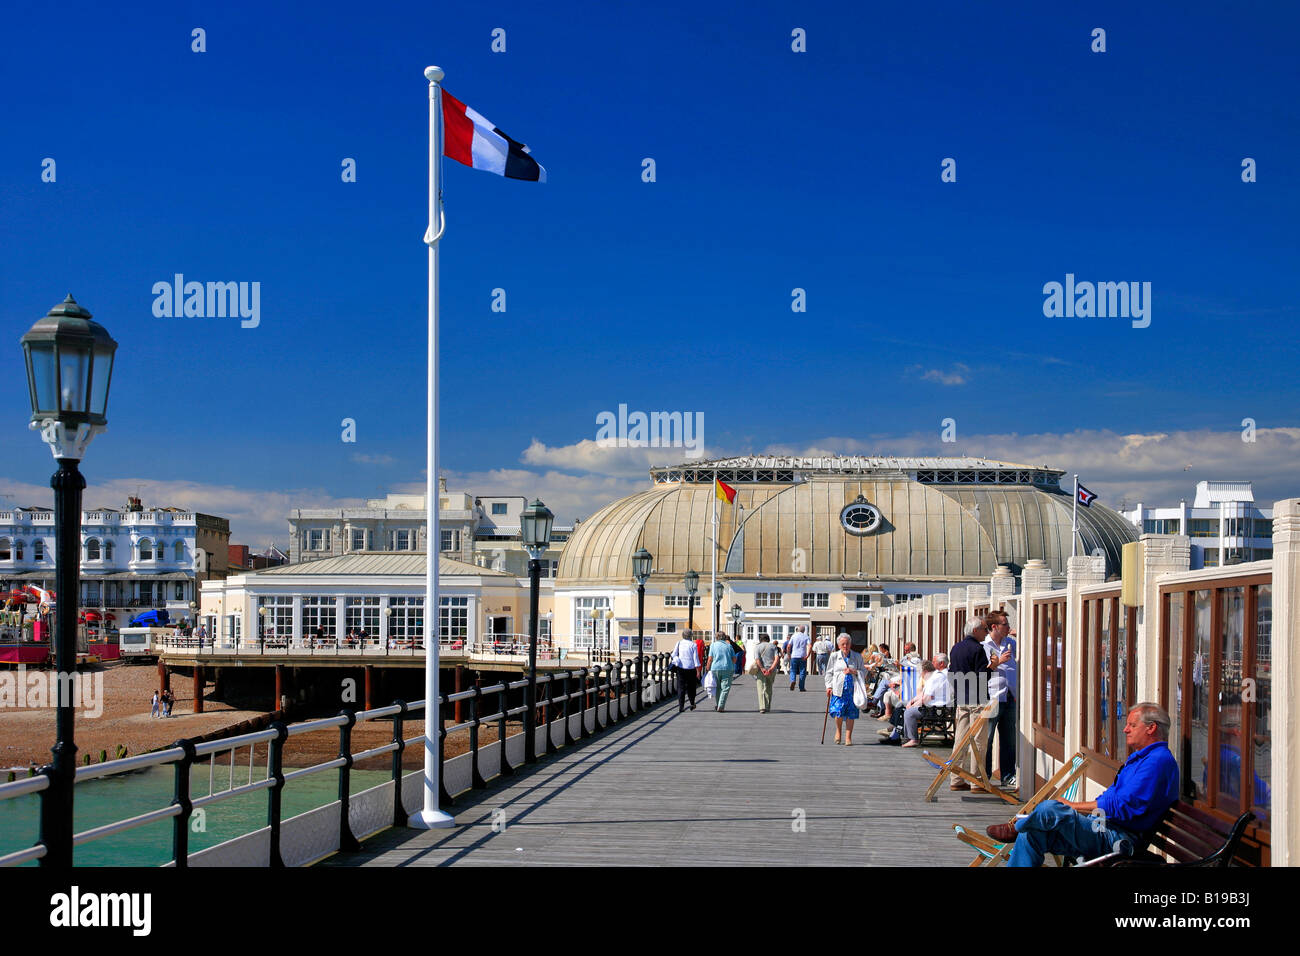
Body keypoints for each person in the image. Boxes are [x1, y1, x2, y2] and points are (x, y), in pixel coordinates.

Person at [988, 703, 1180, 867]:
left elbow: (1121, 806)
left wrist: (1073, 807)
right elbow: (1112, 799)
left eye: (1132, 725)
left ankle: (1016, 827)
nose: (1125, 729)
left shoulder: (1156, 762)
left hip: (1121, 839)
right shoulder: (1141, 759)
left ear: (1151, 728)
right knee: (1032, 834)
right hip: (1105, 826)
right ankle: (1022, 828)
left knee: (1049, 809)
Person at [948, 619, 997, 791]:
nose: (986, 632)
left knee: (960, 739)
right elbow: (982, 676)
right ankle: (976, 780)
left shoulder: (956, 648)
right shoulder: (977, 649)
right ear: (975, 630)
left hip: (962, 698)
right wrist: (994, 666)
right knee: (979, 740)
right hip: (977, 699)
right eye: (984, 629)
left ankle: (955, 778)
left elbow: (951, 673)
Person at [982, 611, 1018, 789]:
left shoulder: (1011, 643)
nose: (1008, 626)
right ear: (994, 626)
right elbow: (982, 670)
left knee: (1009, 739)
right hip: (992, 697)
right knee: (987, 738)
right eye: (1004, 624)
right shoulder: (984, 646)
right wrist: (998, 662)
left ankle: (1008, 775)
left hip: (1010, 696)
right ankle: (984, 775)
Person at [823, 634, 867, 745]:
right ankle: (838, 732)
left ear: (850, 644)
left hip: (852, 690)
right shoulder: (834, 656)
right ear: (838, 645)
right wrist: (828, 686)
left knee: (851, 713)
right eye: (843, 644)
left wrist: (854, 671)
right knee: (838, 711)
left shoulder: (857, 656)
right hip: (838, 688)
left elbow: (864, 671)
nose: (845, 646)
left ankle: (848, 737)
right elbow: (829, 672)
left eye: (847, 644)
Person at [902, 657, 952, 746]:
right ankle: (906, 736)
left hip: (936, 710)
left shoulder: (938, 677)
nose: (932, 663)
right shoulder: (941, 675)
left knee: (909, 712)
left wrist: (914, 705)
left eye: (934, 662)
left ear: (941, 664)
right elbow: (925, 694)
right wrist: (912, 701)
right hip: (939, 708)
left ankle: (912, 739)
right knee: (905, 707)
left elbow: (926, 698)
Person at [671, 631, 702, 712]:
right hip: (691, 668)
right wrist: (698, 671)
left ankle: (681, 706)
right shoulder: (693, 645)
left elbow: (673, 654)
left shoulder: (679, 643)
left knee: (681, 687)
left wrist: (677, 659)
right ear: (691, 636)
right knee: (691, 687)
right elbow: (696, 659)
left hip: (681, 667)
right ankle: (692, 703)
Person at [708, 633, 736, 712]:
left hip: (715, 668)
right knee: (725, 688)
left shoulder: (713, 645)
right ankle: (721, 705)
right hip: (727, 668)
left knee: (717, 688)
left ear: (716, 637)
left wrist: (707, 668)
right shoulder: (729, 646)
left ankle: (718, 704)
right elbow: (734, 659)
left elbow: (710, 658)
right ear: (724, 638)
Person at [753, 634, 779, 713]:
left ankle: (762, 707)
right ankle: (767, 707)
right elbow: (777, 658)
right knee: (769, 688)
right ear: (768, 639)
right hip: (771, 669)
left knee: (760, 688)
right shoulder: (773, 646)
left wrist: (762, 668)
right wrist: (771, 668)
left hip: (761, 670)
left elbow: (757, 659)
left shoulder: (757, 647)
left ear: (760, 639)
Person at [786, 624, 811, 692]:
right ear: (804, 630)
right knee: (802, 671)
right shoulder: (806, 636)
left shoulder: (794, 636)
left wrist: (788, 654)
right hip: (802, 656)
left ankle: (793, 680)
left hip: (794, 655)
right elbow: (810, 645)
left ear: (798, 629)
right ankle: (801, 687)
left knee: (793, 670)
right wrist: (808, 655)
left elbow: (788, 646)